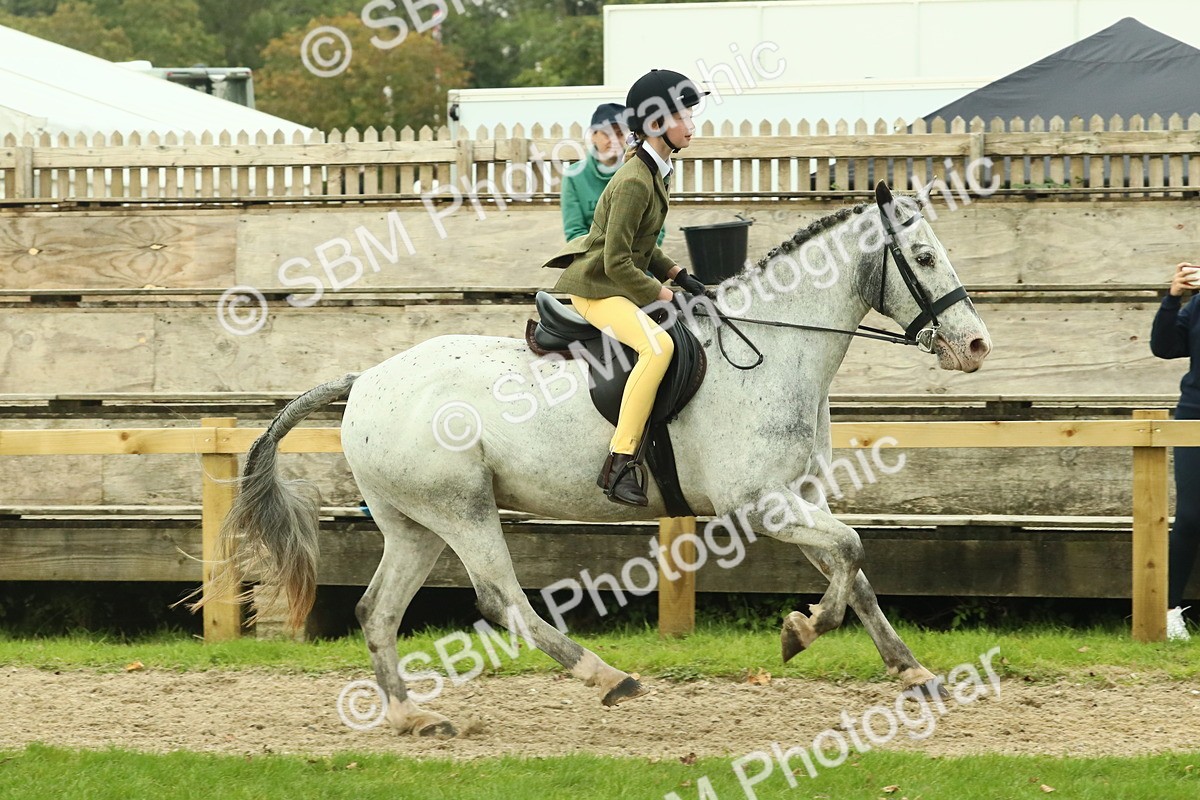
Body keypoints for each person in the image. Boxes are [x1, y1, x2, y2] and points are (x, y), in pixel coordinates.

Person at [542, 69, 708, 507]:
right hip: (597, 287)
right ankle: (619, 462)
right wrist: (667, 296)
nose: (691, 124)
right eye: (683, 116)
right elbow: (617, 261)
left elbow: (642, 244)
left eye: (691, 115)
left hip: (618, 279)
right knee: (658, 348)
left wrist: (679, 274)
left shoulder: (657, 170)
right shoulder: (635, 180)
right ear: (655, 124)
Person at [1150, 261, 1200, 641]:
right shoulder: (1196, 306)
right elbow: (1165, 347)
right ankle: (1168, 611)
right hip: (1194, 416)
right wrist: (1172, 298)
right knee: (1190, 517)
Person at [561, 103, 666, 248]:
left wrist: (633, 256)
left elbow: (656, 228)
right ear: (593, 135)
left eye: (619, 134)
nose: (614, 140)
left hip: (636, 257)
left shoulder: (644, 170)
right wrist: (607, 258)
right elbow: (575, 232)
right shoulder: (574, 176)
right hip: (590, 258)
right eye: (607, 134)